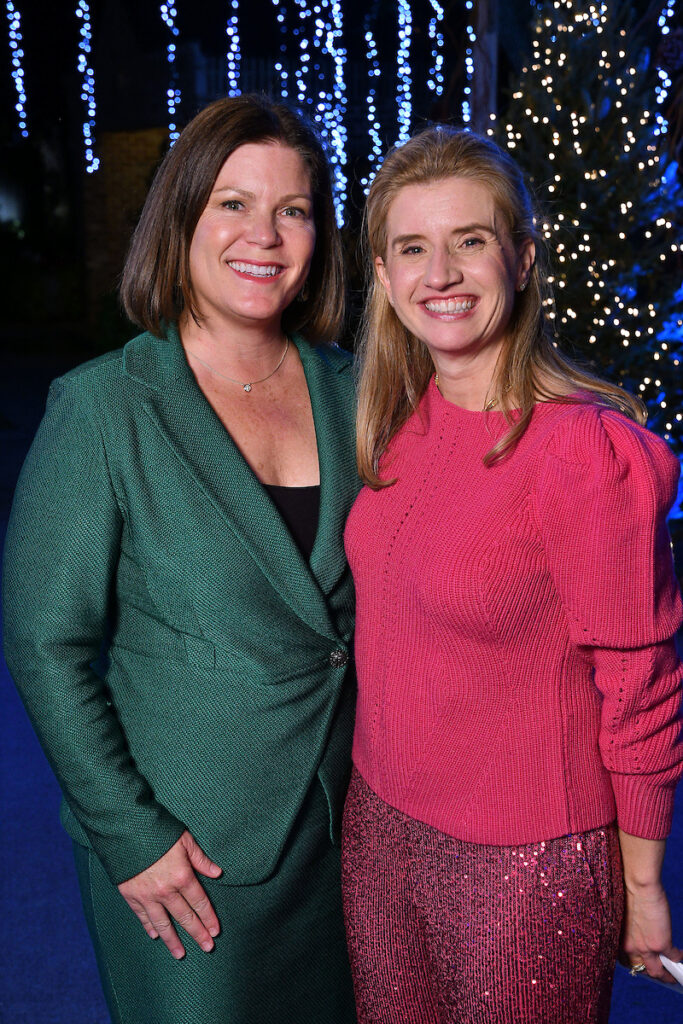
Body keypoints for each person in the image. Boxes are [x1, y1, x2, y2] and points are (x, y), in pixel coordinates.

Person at [3, 94, 359, 1024]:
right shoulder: (104, 407)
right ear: (181, 217)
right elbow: (45, 641)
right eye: (232, 204)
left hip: (347, 831)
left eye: (293, 210)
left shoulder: (354, 386)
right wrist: (129, 833)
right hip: (189, 853)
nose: (266, 236)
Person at [341, 125, 683, 1024]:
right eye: (412, 247)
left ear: (522, 260)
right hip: (378, 828)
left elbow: (640, 684)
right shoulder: (401, 418)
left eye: (471, 241)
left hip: (522, 862)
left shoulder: (580, 452)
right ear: (382, 276)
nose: (440, 273)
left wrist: (641, 883)